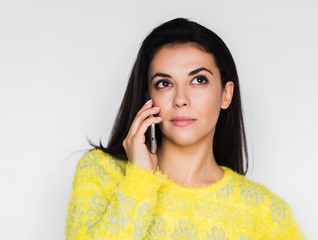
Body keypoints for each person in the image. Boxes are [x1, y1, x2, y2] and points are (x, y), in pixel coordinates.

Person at [65, 18, 304, 239]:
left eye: (198, 80)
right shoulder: (102, 173)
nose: (181, 99)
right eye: (164, 83)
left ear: (226, 94)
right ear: (149, 97)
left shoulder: (267, 214)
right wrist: (139, 181)